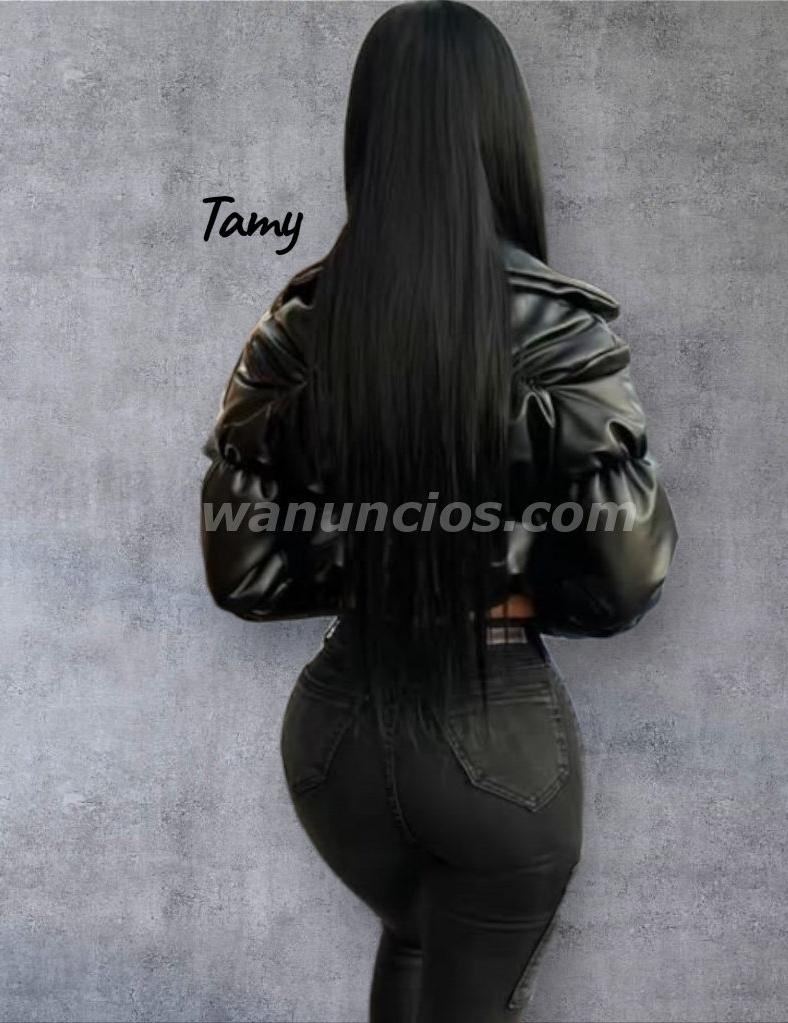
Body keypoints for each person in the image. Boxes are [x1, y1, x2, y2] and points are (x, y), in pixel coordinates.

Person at [199, 2, 678, 1020]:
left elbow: (243, 572)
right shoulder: (558, 327)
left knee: (414, 945)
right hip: (493, 746)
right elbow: (625, 577)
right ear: (503, 135)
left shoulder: (297, 323)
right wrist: (498, 573)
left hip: (335, 742)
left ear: (366, 135)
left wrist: (387, 560)